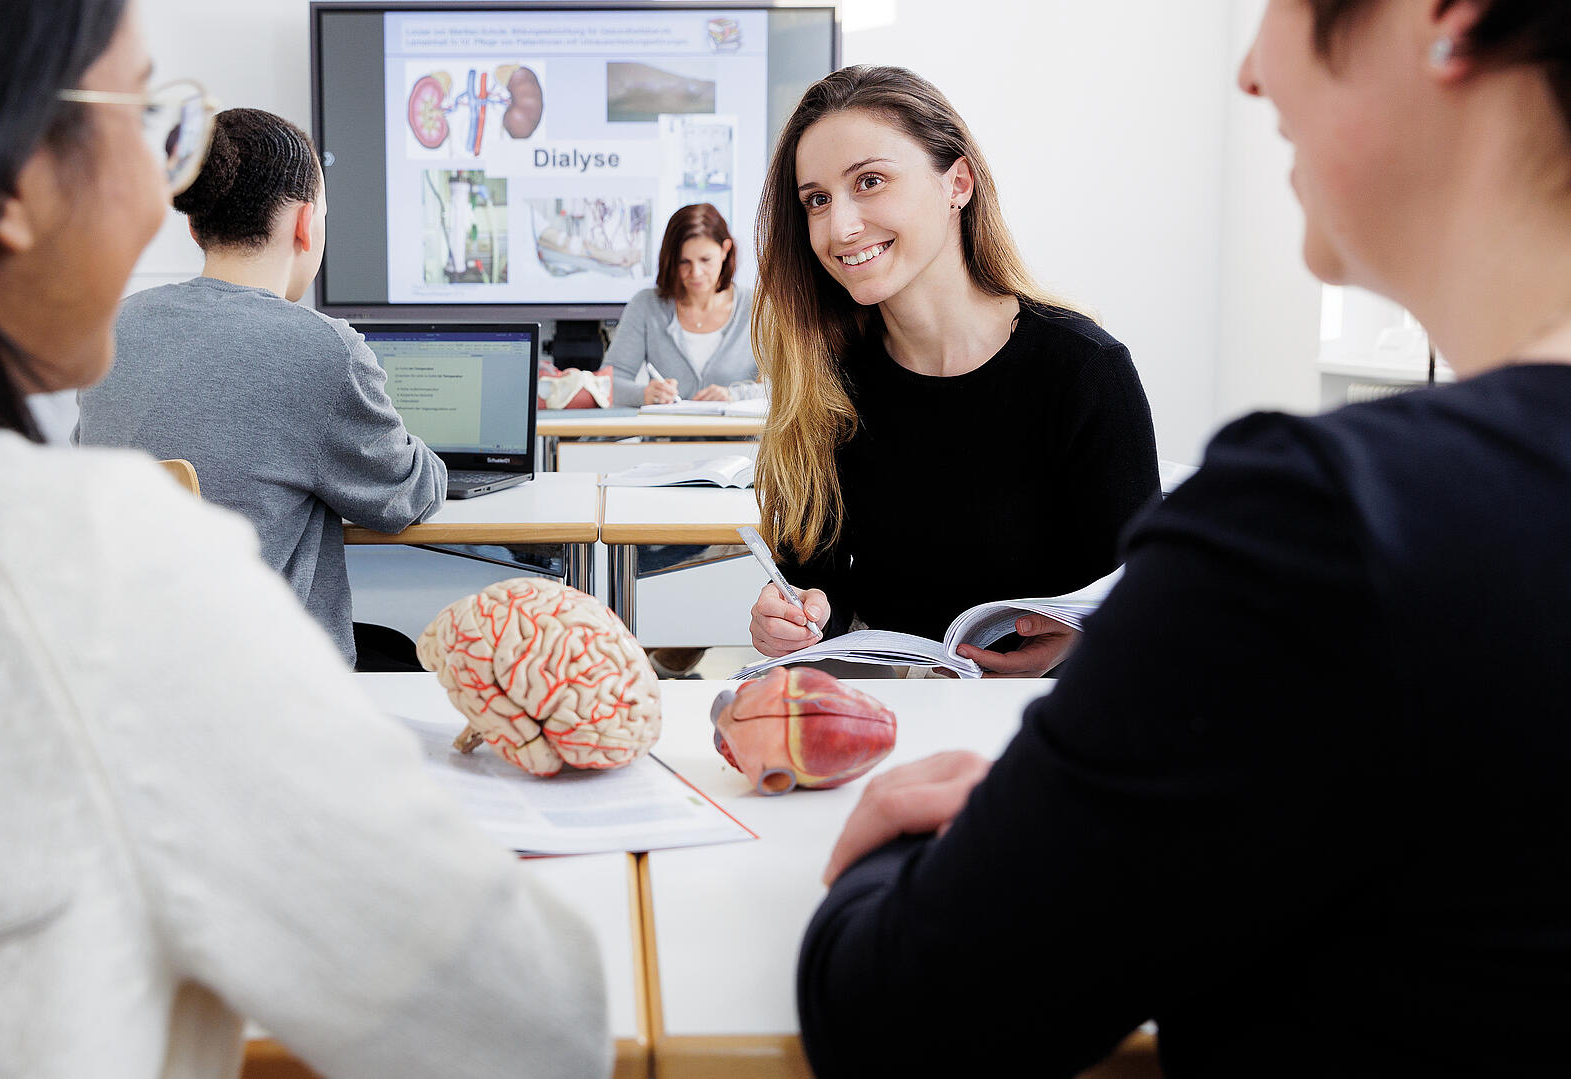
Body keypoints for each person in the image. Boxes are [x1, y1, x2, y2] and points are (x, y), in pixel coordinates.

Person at [0, 3, 609, 1078]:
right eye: (152, 116)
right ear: (14, 178)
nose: (165, 176)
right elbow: (533, 1026)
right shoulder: (101, 566)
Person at [799, 2, 1571, 1074]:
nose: (1251, 70)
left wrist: (968, 838)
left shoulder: (1316, 525)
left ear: (1448, 20)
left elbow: (895, 1011)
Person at [747, 66, 1161, 678]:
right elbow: (819, 593)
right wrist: (789, 618)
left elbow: (1149, 604)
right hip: (893, 711)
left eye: (870, 180)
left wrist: (1076, 644)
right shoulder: (829, 380)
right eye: (817, 199)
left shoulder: (1084, 370)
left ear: (957, 184)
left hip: (1050, 719)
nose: (840, 227)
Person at [78, 106, 445, 669]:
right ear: (305, 223)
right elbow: (403, 497)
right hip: (266, 684)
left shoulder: (110, 327)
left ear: (196, 225)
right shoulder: (324, 350)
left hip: (124, 671)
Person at [605, 203, 763, 406]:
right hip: (669, 436)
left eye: (705, 260)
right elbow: (608, 384)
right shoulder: (646, 306)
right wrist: (644, 394)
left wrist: (735, 396)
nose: (695, 273)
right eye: (684, 262)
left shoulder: (758, 308)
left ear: (725, 250)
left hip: (735, 438)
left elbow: (787, 388)